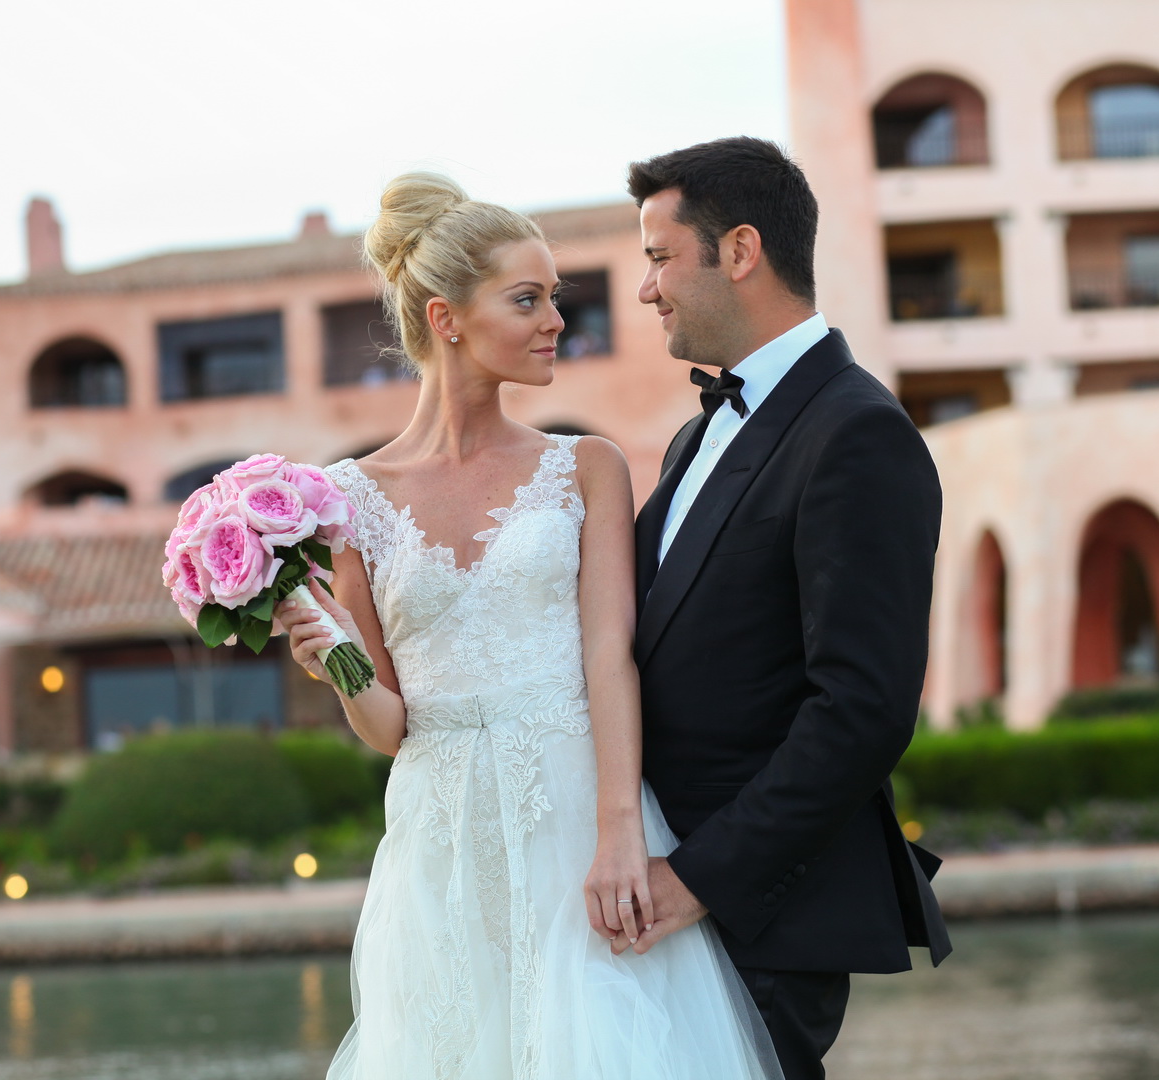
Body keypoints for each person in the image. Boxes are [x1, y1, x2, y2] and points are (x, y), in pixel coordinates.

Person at [277, 172, 781, 1079]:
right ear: (446, 319)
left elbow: (609, 659)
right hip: (439, 843)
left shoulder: (587, 466)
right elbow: (392, 728)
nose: (557, 319)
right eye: (528, 299)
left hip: (578, 820)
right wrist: (337, 658)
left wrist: (621, 833)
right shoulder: (350, 500)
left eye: (557, 297)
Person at [616, 137, 952, 1079]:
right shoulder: (698, 437)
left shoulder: (857, 432)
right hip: (660, 903)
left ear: (740, 250)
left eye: (657, 256)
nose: (646, 289)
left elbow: (862, 710)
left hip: (754, 923)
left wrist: (694, 881)